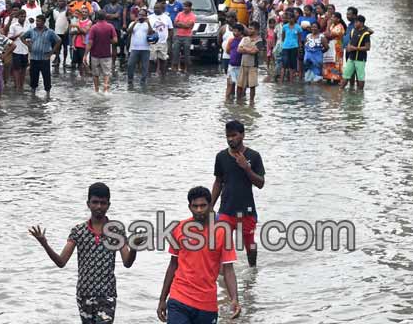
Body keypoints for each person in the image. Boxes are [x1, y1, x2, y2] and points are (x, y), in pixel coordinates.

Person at [28, 183, 139, 324]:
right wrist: (44, 243)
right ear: (88, 204)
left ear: (108, 205)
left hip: (107, 295)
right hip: (84, 294)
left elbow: (127, 262)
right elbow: (61, 262)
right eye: (95, 202)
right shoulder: (78, 231)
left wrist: (134, 248)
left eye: (103, 203)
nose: (99, 206)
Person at [156, 186, 241, 323]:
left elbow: (228, 270)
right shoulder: (179, 228)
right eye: (195, 206)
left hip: (207, 304)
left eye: (203, 205)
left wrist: (234, 298)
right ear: (189, 207)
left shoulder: (222, 232)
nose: (199, 210)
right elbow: (173, 265)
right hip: (179, 298)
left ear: (210, 205)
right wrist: (162, 299)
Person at [211, 120, 266, 267]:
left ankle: (252, 273)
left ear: (242, 135)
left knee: (250, 245)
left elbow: (260, 183)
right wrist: (210, 206)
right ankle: (224, 277)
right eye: (227, 136)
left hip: (246, 211)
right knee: (222, 243)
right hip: (225, 210)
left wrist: (246, 168)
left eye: (234, 135)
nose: (230, 139)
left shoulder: (254, 156)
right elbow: (218, 182)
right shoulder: (221, 157)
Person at [21, 14, 62, 94]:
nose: (37, 23)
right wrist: (28, 45)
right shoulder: (31, 31)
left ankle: (48, 94)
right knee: (33, 77)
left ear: (43, 22)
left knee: (46, 77)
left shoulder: (50, 32)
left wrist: (52, 51)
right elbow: (22, 37)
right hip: (34, 58)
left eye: (39, 21)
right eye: (36, 21)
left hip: (45, 59)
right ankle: (33, 93)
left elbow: (59, 40)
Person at [84, 12, 118, 93]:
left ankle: (96, 90)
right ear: (105, 17)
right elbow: (115, 40)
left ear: (96, 18)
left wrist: (85, 55)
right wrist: (107, 41)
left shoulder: (94, 28)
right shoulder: (110, 26)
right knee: (106, 74)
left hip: (95, 55)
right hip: (106, 55)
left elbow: (90, 43)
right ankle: (105, 90)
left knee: (95, 74)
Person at [343, 15, 371, 91]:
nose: (355, 24)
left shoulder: (366, 33)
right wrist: (348, 47)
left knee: (360, 77)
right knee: (345, 75)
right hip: (351, 57)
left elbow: (368, 47)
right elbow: (350, 41)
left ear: (361, 23)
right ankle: (340, 92)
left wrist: (355, 48)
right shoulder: (353, 31)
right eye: (355, 22)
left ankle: (360, 94)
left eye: (356, 22)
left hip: (360, 59)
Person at [126, 8, 154, 85]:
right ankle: (130, 80)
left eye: (143, 15)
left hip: (146, 49)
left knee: (145, 67)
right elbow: (128, 32)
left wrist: (148, 23)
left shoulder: (148, 24)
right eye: (139, 14)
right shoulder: (132, 23)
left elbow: (151, 33)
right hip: (134, 48)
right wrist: (135, 22)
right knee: (130, 64)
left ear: (146, 16)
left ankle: (143, 81)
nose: (141, 16)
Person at [236, 22, 261, 101]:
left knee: (252, 85)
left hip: (253, 65)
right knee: (240, 85)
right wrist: (249, 49)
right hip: (243, 64)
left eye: (251, 29)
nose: (249, 30)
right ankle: (239, 101)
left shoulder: (259, 40)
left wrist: (245, 49)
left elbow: (254, 52)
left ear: (256, 30)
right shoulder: (245, 38)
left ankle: (251, 102)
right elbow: (238, 50)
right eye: (249, 28)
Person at [148, 2, 174, 77]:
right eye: (155, 8)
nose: (156, 9)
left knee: (163, 59)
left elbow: (171, 29)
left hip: (163, 42)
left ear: (162, 9)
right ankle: (149, 75)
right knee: (151, 60)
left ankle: (163, 75)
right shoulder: (150, 17)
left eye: (157, 8)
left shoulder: (166, 18)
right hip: (152, 41)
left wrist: (169, 38)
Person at [171, 1, 196, 74]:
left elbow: (189, 26)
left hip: (187, 36)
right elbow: (175, 23)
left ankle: (186, 69)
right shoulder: (179, 14)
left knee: (186, 54)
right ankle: (175, 68)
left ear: (190, 7)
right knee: (175, 52)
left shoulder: (192, 16)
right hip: (178, 35)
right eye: (184, 6)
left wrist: (180, 24)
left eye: (186, 6)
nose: (185, 8)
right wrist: (184, 25)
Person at [279, 12, 302, 83]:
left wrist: (299, 48)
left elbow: (299, 39)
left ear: (294, 18)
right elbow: (283, 38)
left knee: (292, 65)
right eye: (289, 18)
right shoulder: (285, 26)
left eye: (291, 18)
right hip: (285, 47)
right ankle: (281, 81)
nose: (290, 20)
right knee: (284, 64)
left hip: (294, 47)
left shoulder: (298, 27)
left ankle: (291, 82)